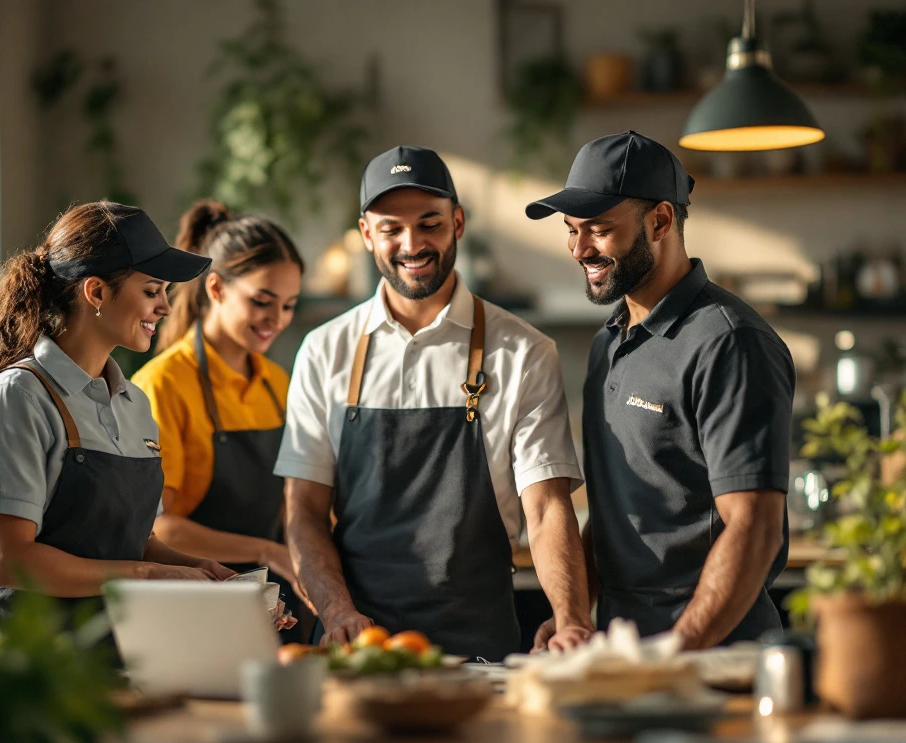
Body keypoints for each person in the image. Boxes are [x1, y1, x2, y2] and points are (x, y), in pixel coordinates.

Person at [275, 146, 593, 661]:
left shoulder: (524, 352)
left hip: (478, 643)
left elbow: (546, 505)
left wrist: (571, 618)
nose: (412, 243)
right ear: (364, 233)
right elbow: (304, 512)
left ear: (458, 222)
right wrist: (336, 612)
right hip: (358, 645)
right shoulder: (325, 350)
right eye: (390, 228)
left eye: (430, 224)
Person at [525, 131, 793, 649]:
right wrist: (574, 617)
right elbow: (616, 518)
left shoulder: (730, 343)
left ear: (661, 221)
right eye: (572, 230)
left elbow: (754, 529)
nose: (580, 249)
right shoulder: (611, 340)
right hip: (624, 653)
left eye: (599, 230)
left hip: (716, 657)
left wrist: (675, 653)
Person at [0, 202, 247, 633]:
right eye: (152, 291)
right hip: (22, 659)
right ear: (95, 292)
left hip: (104, 648)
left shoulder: (134, 405)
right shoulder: (19, 398)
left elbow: (135, 543)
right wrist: (151, 577)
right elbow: (10, 561)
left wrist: (204, 573)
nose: (165, 308)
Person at [132, 201, 309, 617]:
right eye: (262, 301)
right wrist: (267, 550)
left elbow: (291, 505)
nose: (276, 320)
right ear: (216, 289)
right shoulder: (163, 385)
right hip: (196, 604)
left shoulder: (277, 383)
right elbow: (160, 529)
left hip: (278, 602)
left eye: (288, 305)